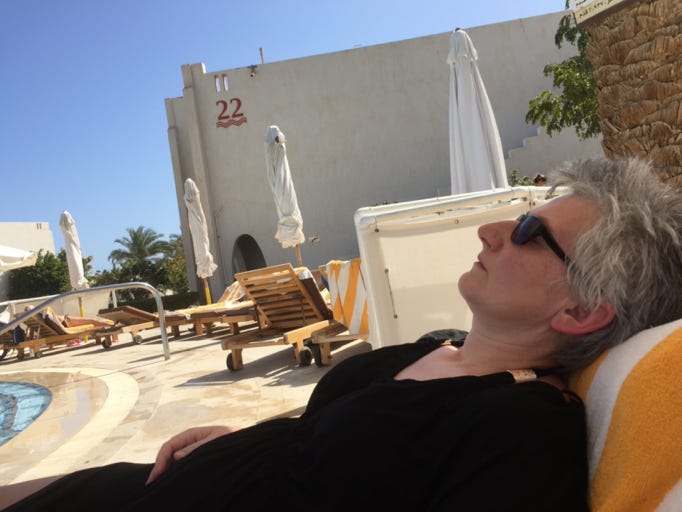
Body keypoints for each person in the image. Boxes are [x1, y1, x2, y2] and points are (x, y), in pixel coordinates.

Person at [3, 157, 682, 511]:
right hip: (160, 485)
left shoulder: (523, 429)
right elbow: (348, 448)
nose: (491, 230)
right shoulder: (437, 346)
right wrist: (251, 438)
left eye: (530, 231)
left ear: (581, 312)